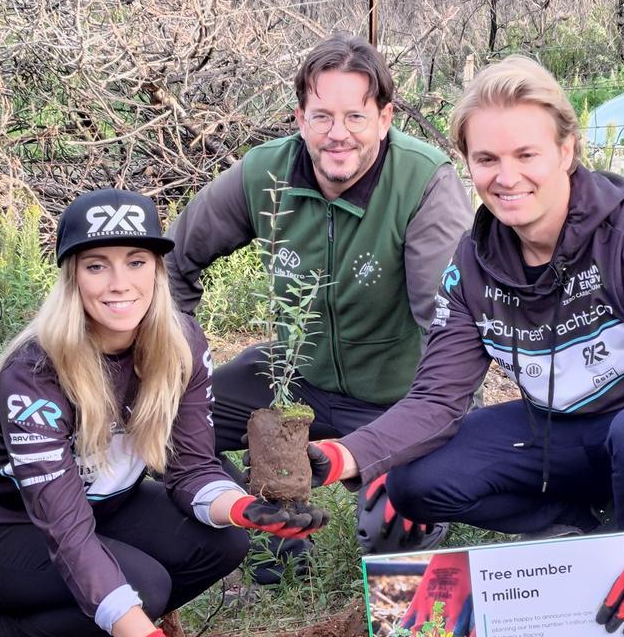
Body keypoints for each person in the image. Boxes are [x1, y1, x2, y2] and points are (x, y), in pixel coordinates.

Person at [306, 56, 624, 637]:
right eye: (486, 159)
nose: (506, 177)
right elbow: (436, 399)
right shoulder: (473, 261)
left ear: (567, 150)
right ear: (466, 163)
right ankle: (588, 535)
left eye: (526, 154)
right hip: (555, 431)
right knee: (416, 479)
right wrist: (343, 456)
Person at [0, 188, 326, 637]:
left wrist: (246, 511)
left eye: (136, 262)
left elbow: (193, 469)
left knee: (222, 541)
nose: (120, 284)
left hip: (102, 505)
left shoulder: (181, 343)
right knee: (143, 586)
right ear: (72, 278)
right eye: (97, 266)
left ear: (158, 270)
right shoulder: (36, 373)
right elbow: (67, 533)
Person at [166, 34, 473, 566]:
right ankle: (265, 518)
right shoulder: (264, 173)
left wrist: (409, 435)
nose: (338, 135)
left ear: (384, 118)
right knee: (164, 426)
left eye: (355, 116)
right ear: (299, 118)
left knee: (391, 527)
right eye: (322, 116)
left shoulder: (424, 184)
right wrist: (174, 363)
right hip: (292, 376)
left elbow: (448, 325)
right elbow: (172, 262)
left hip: (392, 397)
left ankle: (409, 499)